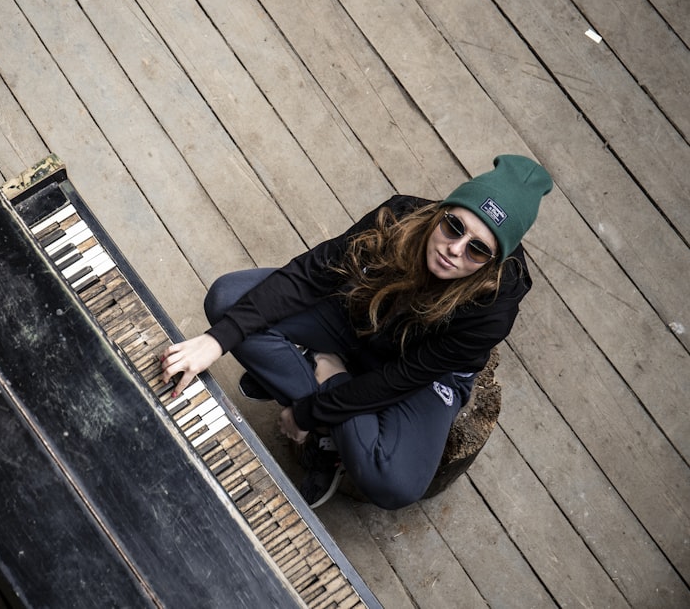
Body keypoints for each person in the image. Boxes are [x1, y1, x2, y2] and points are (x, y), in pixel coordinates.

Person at [160, 155, 553, 509]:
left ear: (492, 263)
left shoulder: (493, 310)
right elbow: (311, 274)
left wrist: (310, 409)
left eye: (477, 250)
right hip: (365, 318)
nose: (455, 249)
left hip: (421, 375)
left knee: (394, 482)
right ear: (442, 211)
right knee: (229, 300)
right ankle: (333, 413)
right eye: (454, 226)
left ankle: (320, 386)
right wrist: (215, 341)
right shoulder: (399, 217)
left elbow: (402, 379)